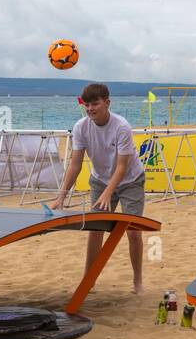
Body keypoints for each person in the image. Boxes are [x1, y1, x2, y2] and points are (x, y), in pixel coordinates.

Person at [50, 83, 147, 294]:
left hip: (131, 180)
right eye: (86, 105)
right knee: (95, 230)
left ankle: (137, 282)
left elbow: (122, 167)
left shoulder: (121, 126)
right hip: (100, 179)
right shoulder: (81, 127)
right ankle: (89, 280)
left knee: (133, 231)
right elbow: (75, 164)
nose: (90, 109)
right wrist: (61, 196)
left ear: (107, 103)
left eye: (95, 104)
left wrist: (108, 192)